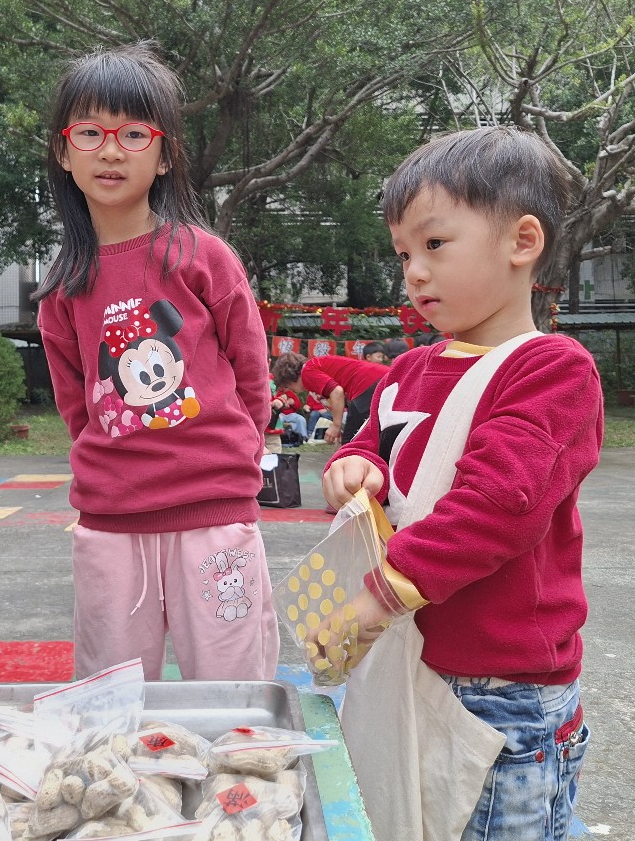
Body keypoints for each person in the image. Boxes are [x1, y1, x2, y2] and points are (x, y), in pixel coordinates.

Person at [320, 126, 603, 840]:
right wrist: (353, 468)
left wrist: (379, 594)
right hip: (410, 661)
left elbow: (497, 505)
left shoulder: (550, 370)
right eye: (403, 254)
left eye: (435, 244)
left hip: (500, 691)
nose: (414, 273)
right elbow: (373, 441)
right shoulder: (407, 370)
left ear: (522, 241)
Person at [35, 42, 279, 682]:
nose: (111, 151)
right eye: (90, 133)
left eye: (134, 134)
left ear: (165, 154)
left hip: (215, 515)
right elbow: (75, 404)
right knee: (110, 700)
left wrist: (238, 457)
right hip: (112, 523)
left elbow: (252, 372)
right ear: (63, 152)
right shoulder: (64, 288)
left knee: (233, 691)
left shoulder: (203, 257)